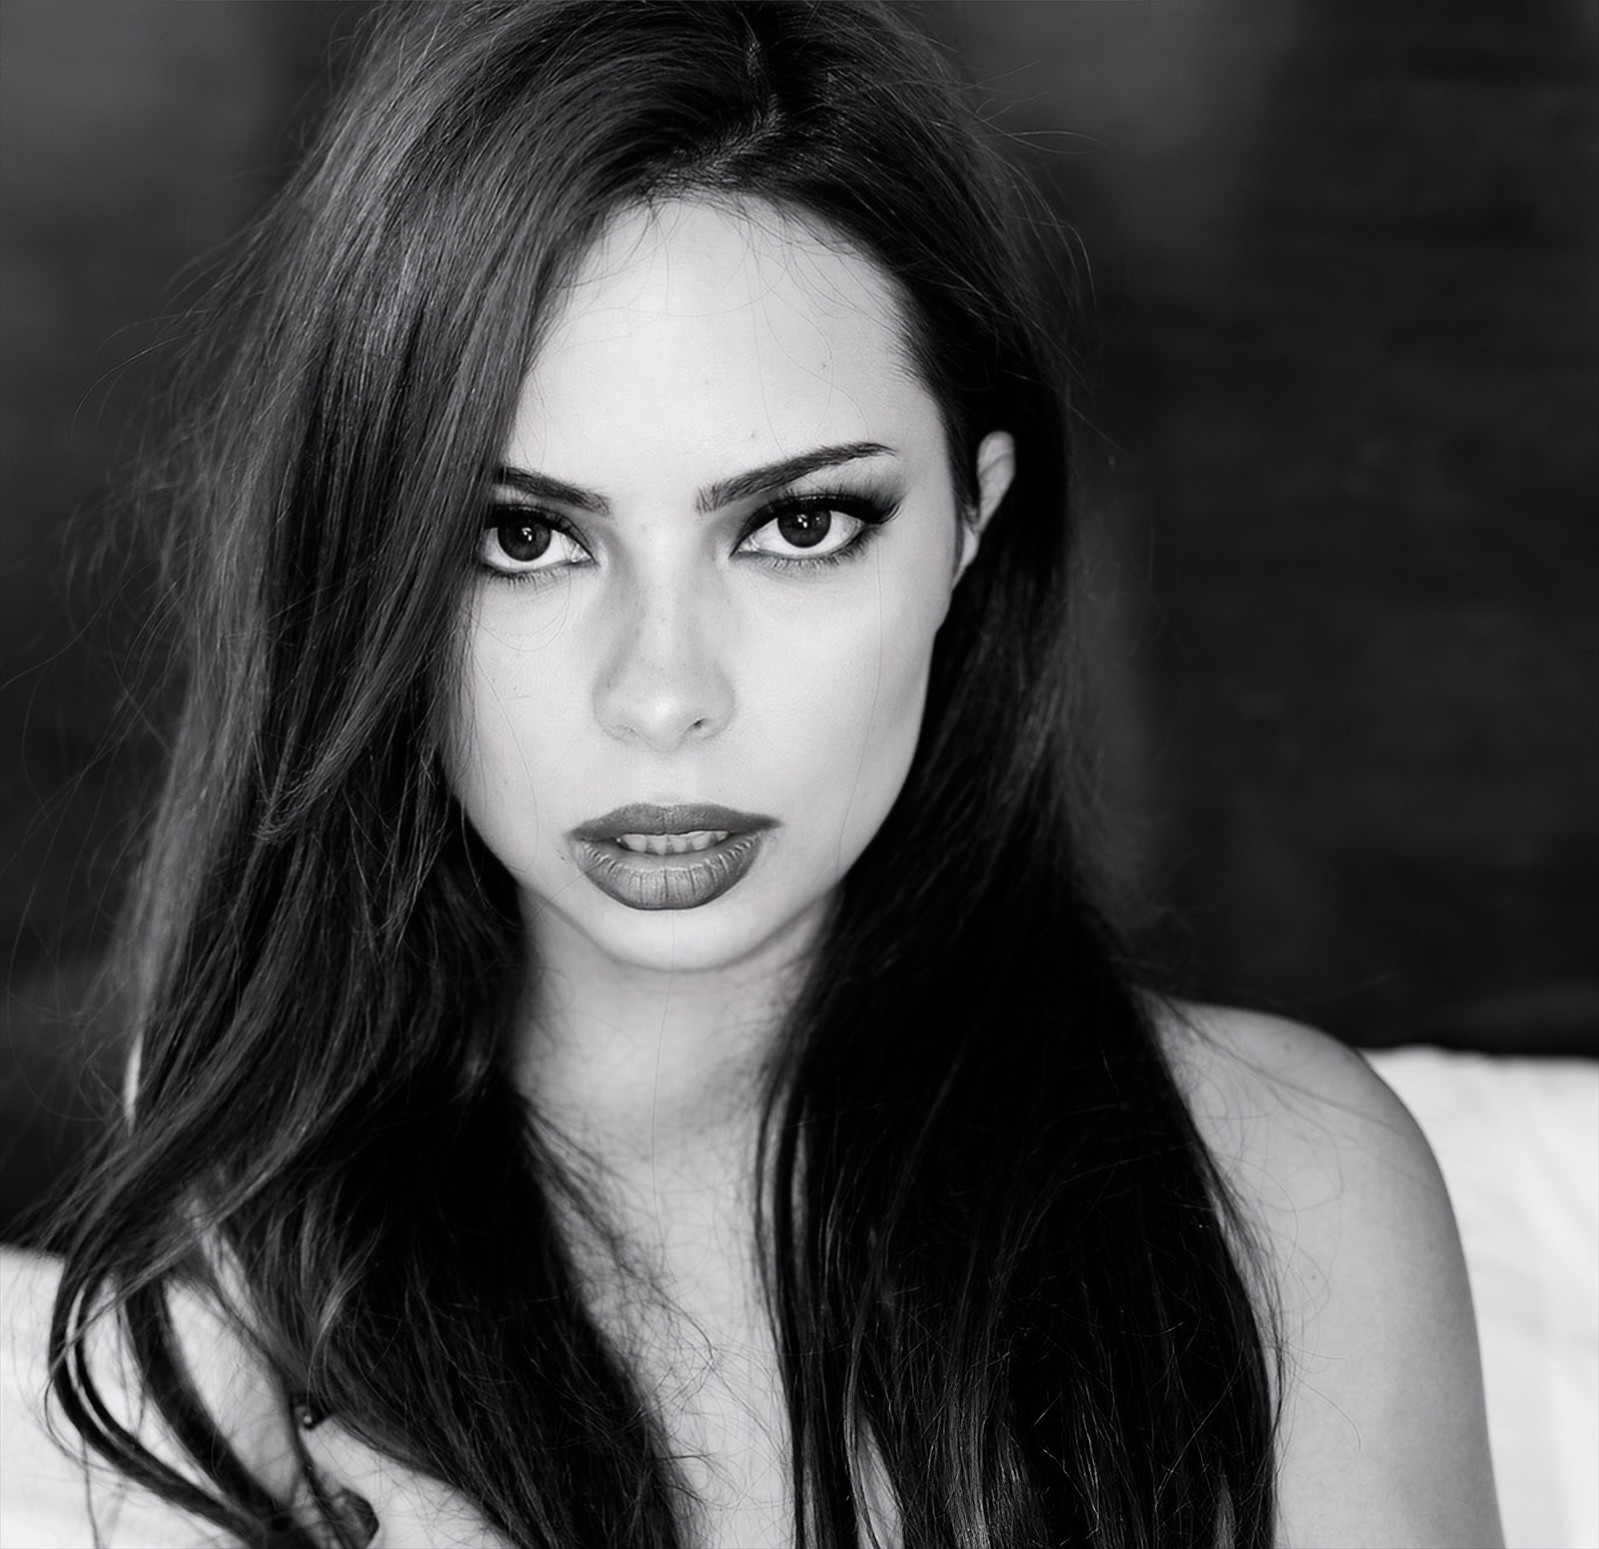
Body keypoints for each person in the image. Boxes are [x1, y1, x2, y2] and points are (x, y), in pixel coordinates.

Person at [24, 2, 1500, 1545]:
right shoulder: (247, 1241)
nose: (664, 694)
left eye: (797, 526)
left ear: (971, 523)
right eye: (523, 536)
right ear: (376, 560)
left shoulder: (1283, 1187)